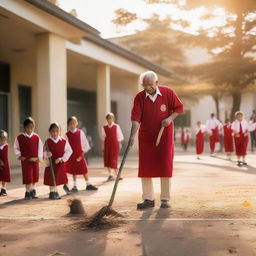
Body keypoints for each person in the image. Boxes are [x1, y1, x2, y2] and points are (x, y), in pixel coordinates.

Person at [129, 70, 183, 209]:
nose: (148, 88)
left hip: (164, 137)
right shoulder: (139, 97)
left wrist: (169, 119)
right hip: (146, 138)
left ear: (157, 83)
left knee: (165, 166)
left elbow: (179, 108)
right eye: (145, 85)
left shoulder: (168, 92)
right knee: (146, 168)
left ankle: (165, 199)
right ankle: (148, 199)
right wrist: (131, 137)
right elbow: (135, 120)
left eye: (150, 85)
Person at [14, 117, 43, 200]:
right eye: (28, 128)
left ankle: (33, 190)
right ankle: (27, 191)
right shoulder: (20, 137)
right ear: (24, 127)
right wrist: (19, 155)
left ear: (33, 127)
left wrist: (39, 157)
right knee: (28, 176)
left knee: (35, 175)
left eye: (31, 128)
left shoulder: (36, 137)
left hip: (35, 160)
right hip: (25, 160)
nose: (29, 129)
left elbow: (40, 148)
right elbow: (16, 147)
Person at [66, 116, 97, 192]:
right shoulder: (67, 134)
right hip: (72, 156)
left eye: (74, 123)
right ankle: (74, 185)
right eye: (70, 124)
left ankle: (88, 184)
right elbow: (66, 146)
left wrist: (81, 155)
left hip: (80, 154)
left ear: (77, 123)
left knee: (84, 169)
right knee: (74, 170)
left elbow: (85, 145)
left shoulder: (80, 132)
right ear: (68, 125)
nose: (72, 125)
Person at [44, 123, 73, 200]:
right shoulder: (47, 142)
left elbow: (69, 151)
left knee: (59, 178)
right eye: (53, 131)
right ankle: (52, 192)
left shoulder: (63, 141)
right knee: (51, 178)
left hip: (59, 163)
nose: (55, 133)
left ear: (59, 131)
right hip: (51, 164)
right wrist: (47, 154)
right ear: (49, 132)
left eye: (57, 131)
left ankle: (57, 190)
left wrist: (62, 159)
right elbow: (43, 152)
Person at [102, 113, 124, 181]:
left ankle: (117, 175)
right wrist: (103, 146)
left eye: (111, 118)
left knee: (114, 160)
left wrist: (119, 144)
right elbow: (103, 137)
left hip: (115, 145)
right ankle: (110, 175)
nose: (110, 119)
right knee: (108, 159)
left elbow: (120, 137)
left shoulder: (116, 126)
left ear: (114, 119)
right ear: (107, 119)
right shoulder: (104, 127)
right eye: (109, 118)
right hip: (107, 145)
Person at [0, 130, 11, 196]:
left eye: (4, 140)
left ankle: (3, 188)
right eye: (1, 140)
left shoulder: (6, 146)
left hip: (5, 164)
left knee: (4, 176)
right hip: (0, 162)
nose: (3, 142)